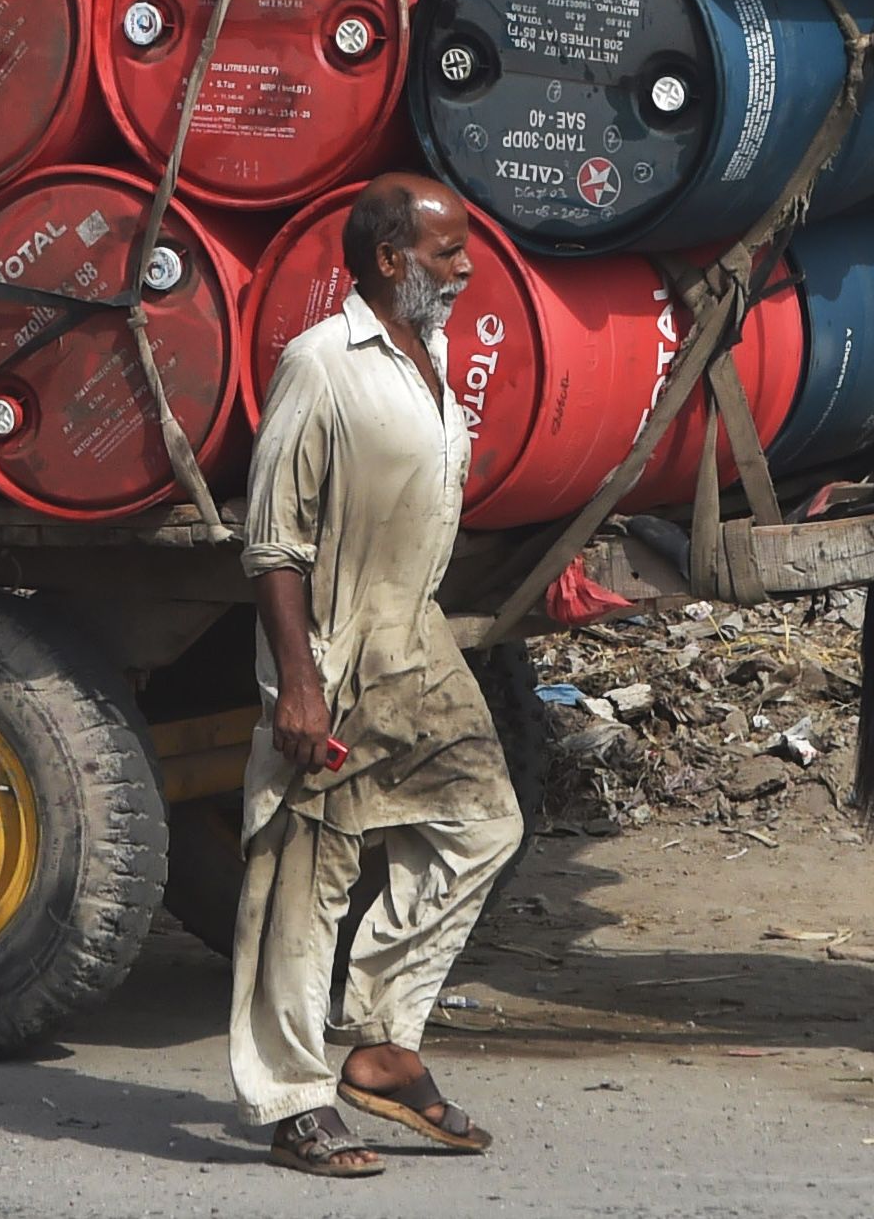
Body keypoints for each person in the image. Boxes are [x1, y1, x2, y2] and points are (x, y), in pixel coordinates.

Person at [231, 173, 521, 1178]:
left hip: (416, 633)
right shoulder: (321, 364)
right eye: (448, 249)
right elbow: (272, 542)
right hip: (336, 637)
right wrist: (300, 684)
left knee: (484, 820)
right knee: (310, 865)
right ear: (391, 258)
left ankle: (384, 1042)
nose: (467, 264)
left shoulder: (429, 351)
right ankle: (295, 1100)